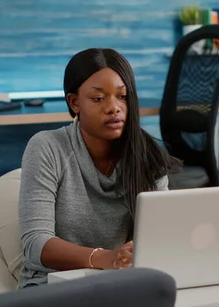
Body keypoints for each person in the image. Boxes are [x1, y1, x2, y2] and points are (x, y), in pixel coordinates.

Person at [18, 48, 181, 288]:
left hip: (118, 283)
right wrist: (106, 257)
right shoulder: (47, 147)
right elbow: (35, 244)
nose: (114, 107)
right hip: (50, 287)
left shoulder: (148, 154)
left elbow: (161, 232)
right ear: (74, 103)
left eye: (122, 97)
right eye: (98, 98)